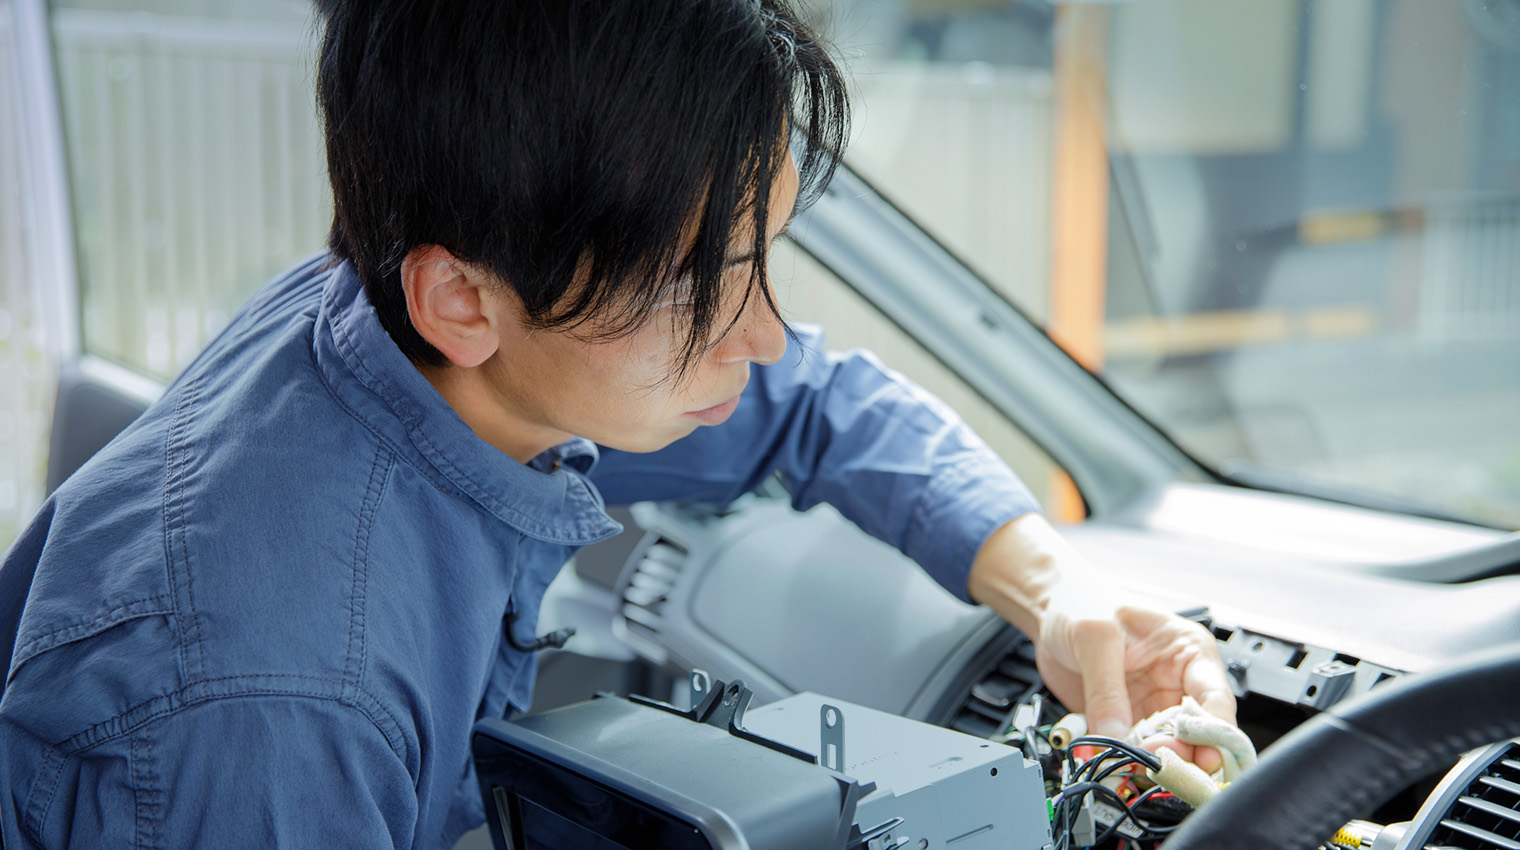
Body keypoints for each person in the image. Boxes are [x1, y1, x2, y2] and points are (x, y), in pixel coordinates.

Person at [0, 0, 1233, 846]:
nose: (757, 334)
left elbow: (815, 403)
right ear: (462, 298)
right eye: (701, 285)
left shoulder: (429, 332)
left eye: (765, 261)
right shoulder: (275, 706)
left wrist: (1057, 595)